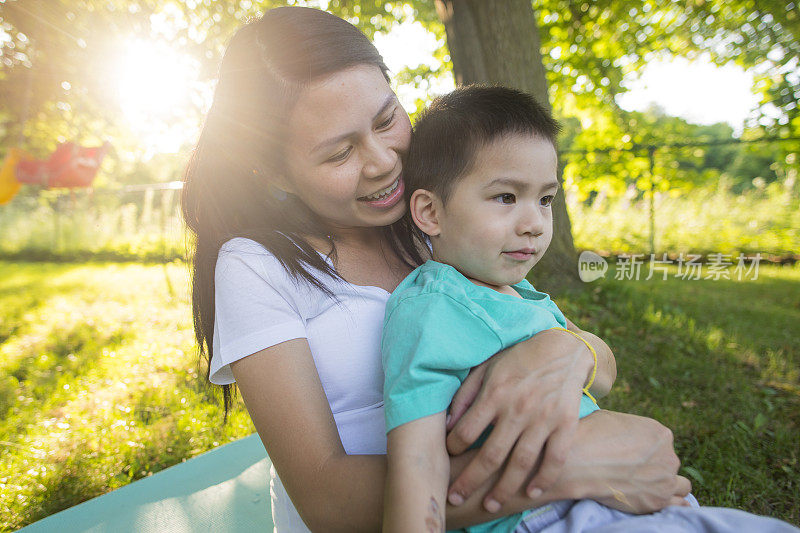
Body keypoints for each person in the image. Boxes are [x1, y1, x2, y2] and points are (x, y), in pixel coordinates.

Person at [181, 7, 694, 532]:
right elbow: (327, 501)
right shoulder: (255, 267)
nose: (383, 160)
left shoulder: (436, 222)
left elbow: (573, 345)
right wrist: (575, 465)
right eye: (340, 153)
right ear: (274, 172)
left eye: (386, 120)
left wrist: (571, 352)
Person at [381, 85, 799, 533]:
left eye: (545, 199)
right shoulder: (432, 307)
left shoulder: (518, 294)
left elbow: (599, 368)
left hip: (620, 495)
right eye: (506, 197)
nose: (534, 223)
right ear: (430, 212)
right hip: (550, 517)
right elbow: (418, 465)